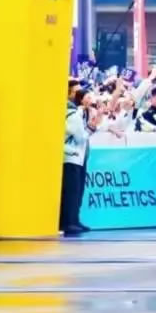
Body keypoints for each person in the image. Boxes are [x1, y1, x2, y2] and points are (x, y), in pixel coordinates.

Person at [61, 86, 90, 235]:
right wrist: (90, 129)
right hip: (73, 156)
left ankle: (74, 220)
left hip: (76, 157)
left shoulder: (71, 113)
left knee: (76, 191)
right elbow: (80, 137)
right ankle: (69, 221)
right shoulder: (73, 115)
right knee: (72, 191)